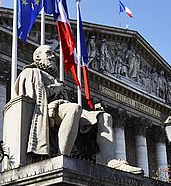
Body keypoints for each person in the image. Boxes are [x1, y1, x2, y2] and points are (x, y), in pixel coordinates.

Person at [13, 45, 143, 174]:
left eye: (53, 54)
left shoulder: (56, 79)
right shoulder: (30, 72)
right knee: (74, 108)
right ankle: (62, 157)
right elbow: (31, 98)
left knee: (104, 116)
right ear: (37, 57)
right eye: (48, 53)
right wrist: (54, 89)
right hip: (43, 110)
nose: (53, 56)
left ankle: (111, 161)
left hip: (61, 109)